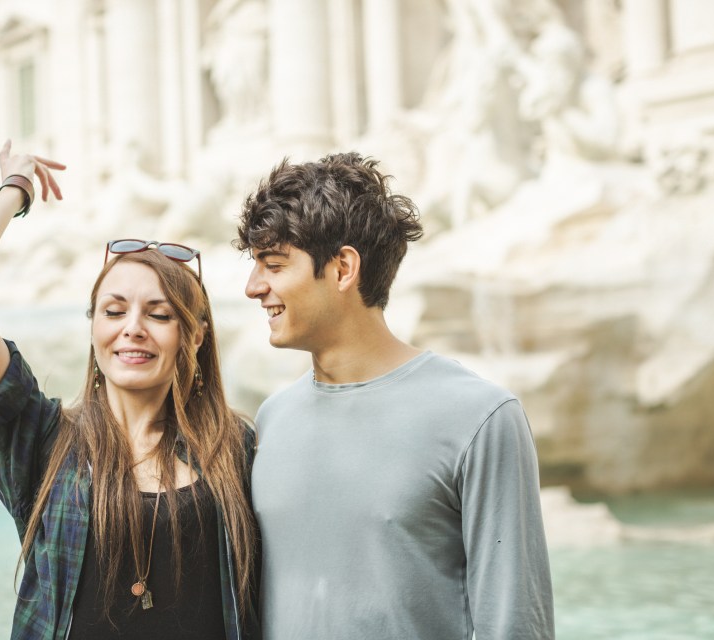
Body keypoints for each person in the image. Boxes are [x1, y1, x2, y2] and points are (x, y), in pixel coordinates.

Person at [0, 141, 260, 640]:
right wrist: (16, 189)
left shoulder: (236, 447)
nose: (133, 328)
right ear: (94, 329)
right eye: (114, 310)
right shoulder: (41, 438)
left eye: (160, 314)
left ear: (195, 336)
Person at [234, 152, 554, 639]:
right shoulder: (273, 418)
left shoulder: (481, 417)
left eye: (273, 265)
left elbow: (513, 625)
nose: (253, 287)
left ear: (343, 268)